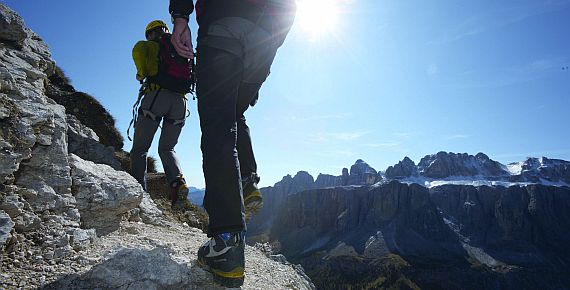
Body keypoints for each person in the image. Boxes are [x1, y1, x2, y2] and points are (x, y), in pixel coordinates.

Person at [169, 0, 296, 287]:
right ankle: (247, 181)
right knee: (234, 113)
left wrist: (180, 18)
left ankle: (226, 242)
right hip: (268, 33)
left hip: (223, 24)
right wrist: (275, 38)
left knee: (218, 125)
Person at [130, 20, 193, 209]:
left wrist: (141, 73)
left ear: (151, 33)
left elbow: (138, 50)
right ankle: (177, 182)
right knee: (167, 148)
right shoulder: (181, 49)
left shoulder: (150, 45)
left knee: (140, 149)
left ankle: (138, 192)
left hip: (158, 95)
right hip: (181, 102)